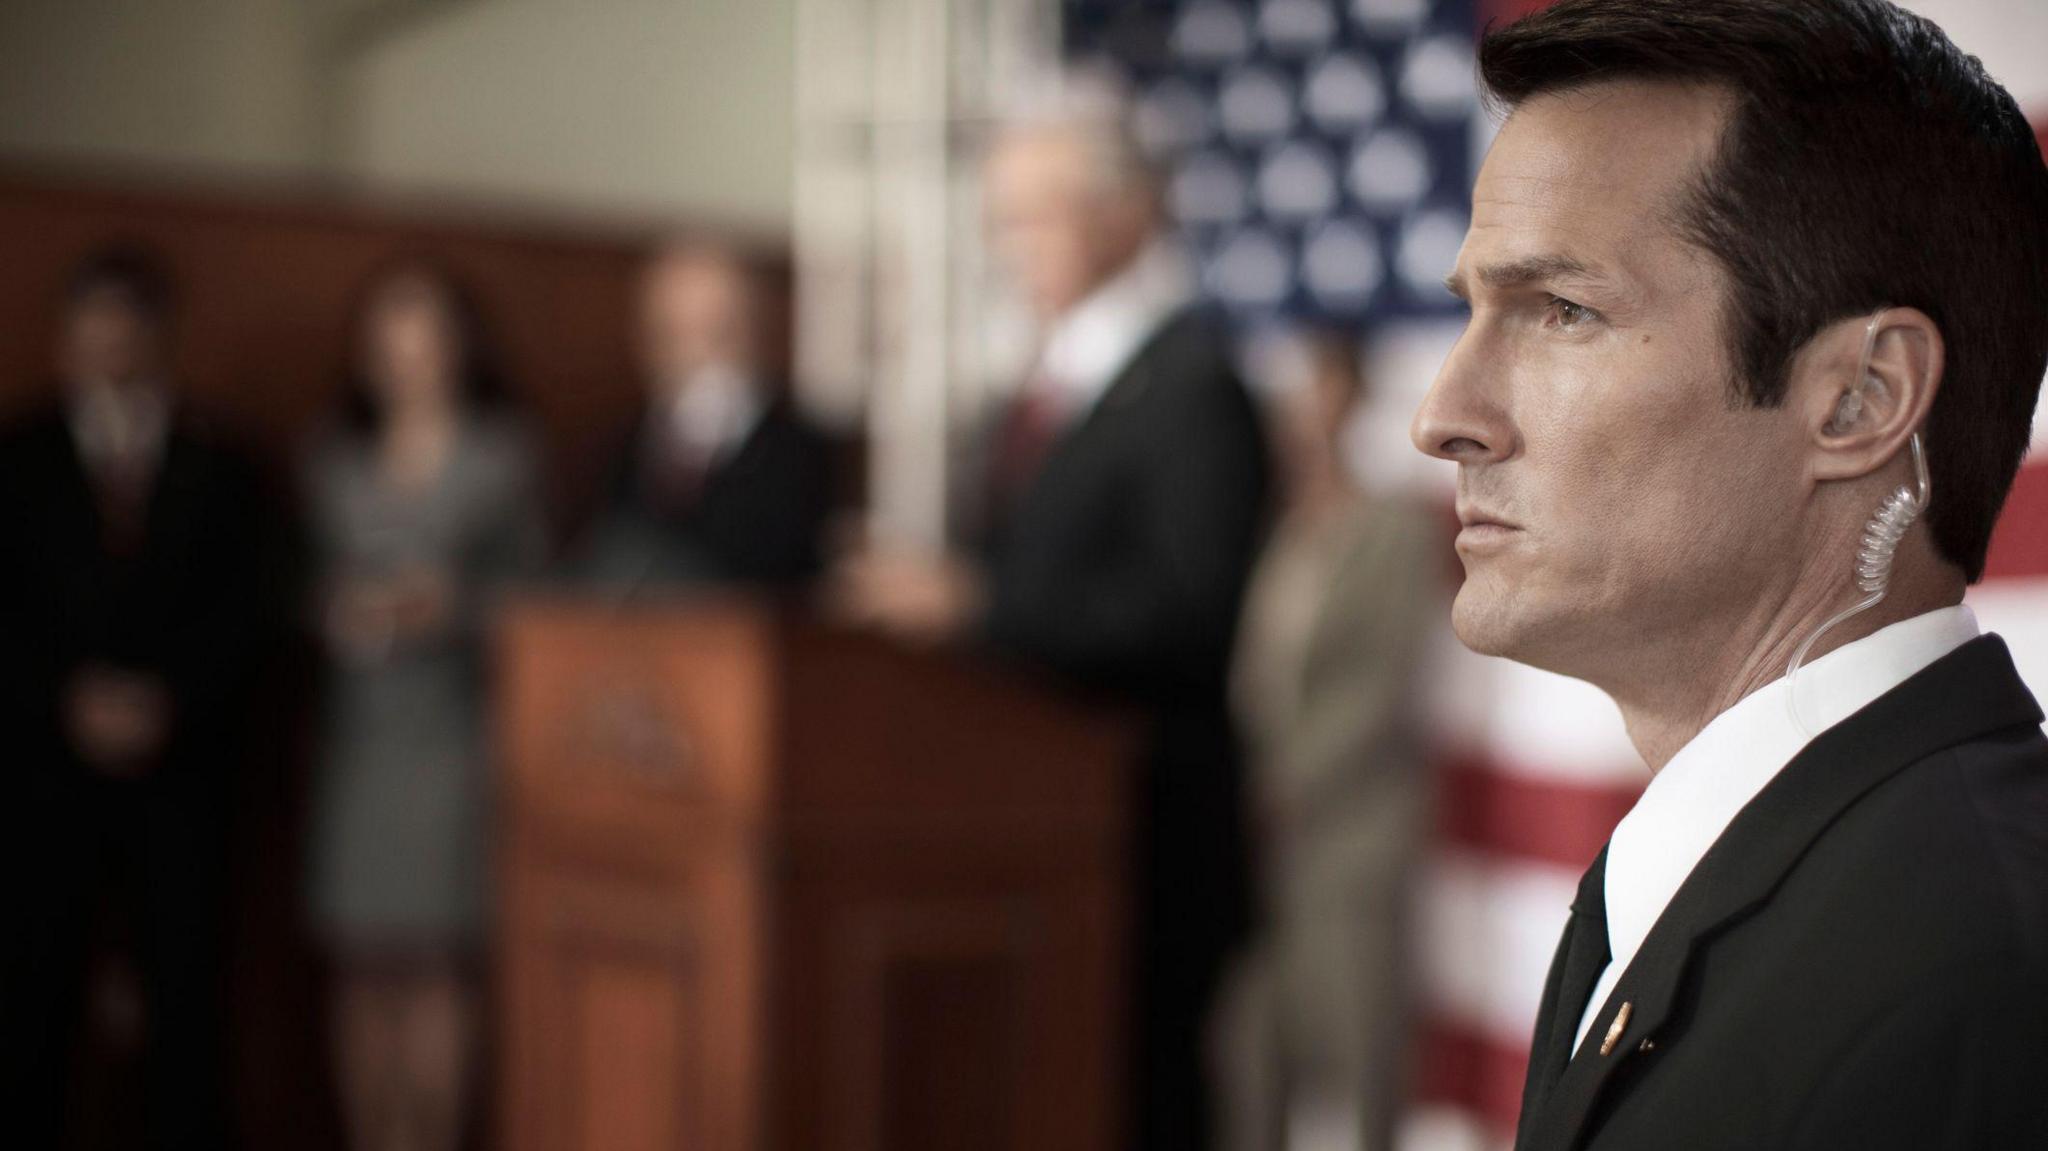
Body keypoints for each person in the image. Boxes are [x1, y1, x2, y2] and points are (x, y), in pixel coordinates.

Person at [1410, 1, 2048, 1147]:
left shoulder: (1967, 968)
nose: (1442, 417)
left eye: (1559, 309)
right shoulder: (1758, 868)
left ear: (1858, 399)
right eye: (1473, 311)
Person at [834, 101, 1271, 1151]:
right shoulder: (1036, 388)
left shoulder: (1191, 386)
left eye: (1034, 215)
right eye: (999, 220)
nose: (1007, 246)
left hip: (1147, 829)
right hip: (1029, 827)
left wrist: (977, 605)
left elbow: (1189, 604)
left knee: (1142, 1099)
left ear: (1124, 213)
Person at [0, 244, 274, 1150]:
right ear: (65, 335)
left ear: (162, 337)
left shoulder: (223, 459)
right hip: (45, 777)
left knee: (186, 999)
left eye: (129, 330)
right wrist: (65, 699)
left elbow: (251, 605)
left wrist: (168, 700)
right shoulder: (19, 454)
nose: (110, 349)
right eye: (93, 328)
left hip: (182, 776)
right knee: (37, 994)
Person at [303, 261, 545, 1151]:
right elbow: (294, 585)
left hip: (451, 737)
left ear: (459, 347)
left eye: (427, 340)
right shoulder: (332, 460)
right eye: (391, 342)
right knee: (364, 964)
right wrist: (333, 608)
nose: (409, 359)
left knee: (440, 962)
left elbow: (538, 600)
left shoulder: (502, 459)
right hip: (360, 734)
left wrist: (454, 606)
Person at [1212, 332, 1438, 1151]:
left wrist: (1287, 780)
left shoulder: (1391, 532)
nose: (1306, 408)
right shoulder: (1272, 526)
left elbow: (1381, 687)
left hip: (1350, 835)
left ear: (1353, 396)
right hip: (1256, 845)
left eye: (1322, 386)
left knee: (1360, 1053)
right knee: (1251, 1052)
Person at [576, 242, 830, 590]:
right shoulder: (623, 448)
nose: (694, 355)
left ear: (754, 331)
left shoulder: (802, 454)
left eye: (716, 333)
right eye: (673, 334)